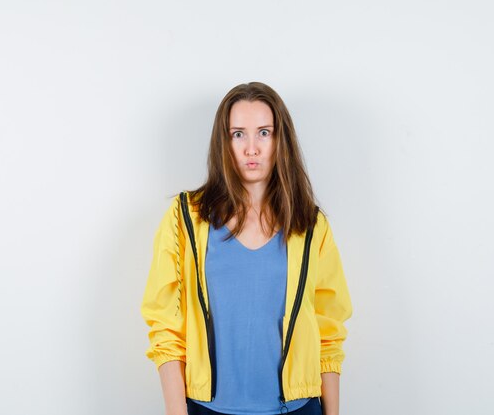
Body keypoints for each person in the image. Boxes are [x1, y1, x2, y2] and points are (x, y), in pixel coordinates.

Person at [141, 82, 353, 415]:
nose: (251, 148)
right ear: (222, 142)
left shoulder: (310, 226)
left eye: (264, 133)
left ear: (280, 140)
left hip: (298, 408)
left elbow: (329, 330)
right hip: (207, 408)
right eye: (237, 134)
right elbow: (165, 324)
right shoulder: (185, 218)